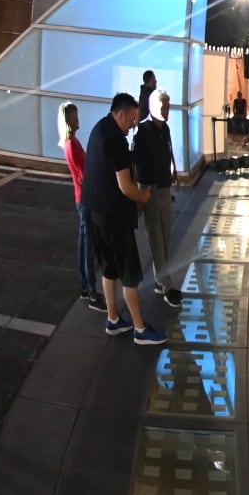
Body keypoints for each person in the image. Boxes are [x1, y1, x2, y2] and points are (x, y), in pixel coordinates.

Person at [85, 93, 166, 345]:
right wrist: (143, 197)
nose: (133, 124)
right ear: (120, 113)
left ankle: (113, 319)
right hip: (115, 218)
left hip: (96, 212)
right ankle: (140, 329)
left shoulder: (99, 129)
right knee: (130, 273)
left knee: (109, 268)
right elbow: (125, 187)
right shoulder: (115, 141)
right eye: (131, 118)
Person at [132, 89, 182, 308]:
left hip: (164, 188)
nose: (167, 111)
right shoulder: (143, 131)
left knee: (165, 236)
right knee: (156, 239)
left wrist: (173, 169)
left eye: (168, 107)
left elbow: (168, 150)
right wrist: (141, 191)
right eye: (163, 107)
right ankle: (167, 285)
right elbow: (135, 161)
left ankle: (159, 280)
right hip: (151, 190)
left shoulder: (165, 129)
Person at [60, 102, 99, 308]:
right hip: (84, 199)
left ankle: (86, 286)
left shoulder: (72, 142)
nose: (78, 120)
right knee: (88, 245)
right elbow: (84, 175)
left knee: (84, 242)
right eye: (75, 117)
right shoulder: (72, 145)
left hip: (81, 197)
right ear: (69, 122)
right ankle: (91, 290)